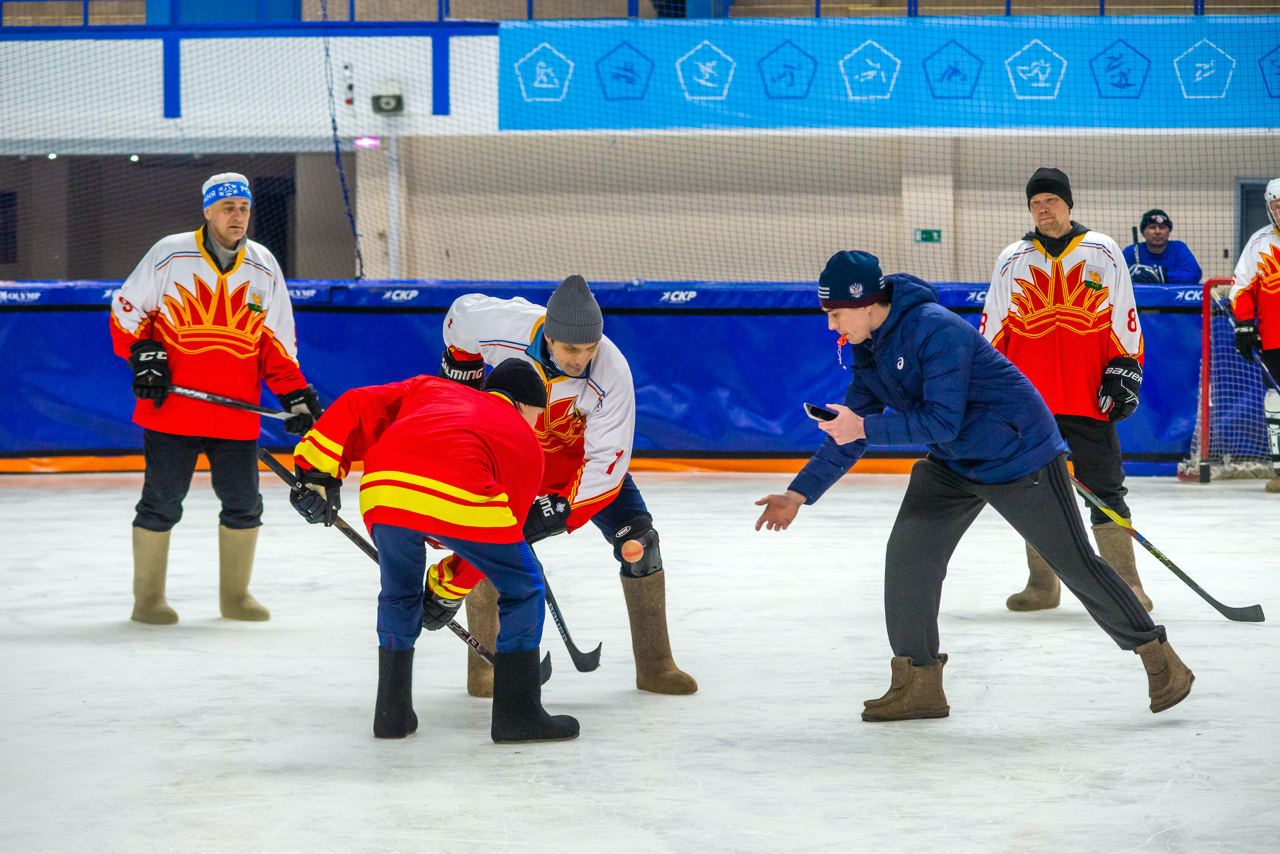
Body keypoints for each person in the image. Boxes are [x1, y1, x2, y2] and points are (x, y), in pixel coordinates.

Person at [754, 250, 1192, 721]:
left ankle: (1159, 658)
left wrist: (861, 428)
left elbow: (939, 421)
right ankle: (918, 684)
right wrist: (798, 493)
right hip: (956, 462)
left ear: (864, 303)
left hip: (1018, 455)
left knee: (1076, 564)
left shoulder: (934, 329)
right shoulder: (868, 350)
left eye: (835, 314)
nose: (831, 326)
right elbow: (852, 429)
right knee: (909, 556)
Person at [289, 360, 579, 743]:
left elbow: (357, 403)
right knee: (524, 585)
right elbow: (504, 534)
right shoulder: (524, 441)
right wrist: (447, 590)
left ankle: (391, 714)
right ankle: (518, 715)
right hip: (461, 490)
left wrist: (317, 474)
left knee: (399, 594)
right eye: (537, 416)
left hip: (385, 485)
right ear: (525, 406)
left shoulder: (429, 388)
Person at [436, 275, 696, 698]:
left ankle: (656, 666)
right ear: (549, 335)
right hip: (512, 456)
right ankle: (485, 668)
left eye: (590, 348)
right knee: (486, 546)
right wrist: (462, 381)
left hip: (579, 465)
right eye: (572, 349)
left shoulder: (612, 371)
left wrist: (554, 514)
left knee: (640, 543)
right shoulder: (503, 325)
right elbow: (458, 317)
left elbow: (606, 467)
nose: (582, 358)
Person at [110, 172, 322, 625]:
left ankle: (236, 596)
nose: (237, 217)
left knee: (245, 505)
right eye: (228, 208)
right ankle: (147, 600)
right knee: (161, 504)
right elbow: (127, 311)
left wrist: (296, 394)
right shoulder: (169, 253)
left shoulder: (263, 265)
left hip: (234, 416)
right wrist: (143, 354)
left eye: (243, 208)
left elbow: (275, 342)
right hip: (173, 412)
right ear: (207, 211)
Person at [983, 167, 1153, 613]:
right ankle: (1043, 585)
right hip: (1031, 406)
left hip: (1088, 398)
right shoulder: (1011, 257)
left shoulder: (1102, 250)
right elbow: (993, 332)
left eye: (1051, 201)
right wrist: (990, 392)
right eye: (1036, 203)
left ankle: (1126, 584)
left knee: (1106, 488)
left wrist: (1125, 371)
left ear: (1068, 204)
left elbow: (1125, 318)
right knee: (1030, 492)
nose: (1043, 209)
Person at [1229, 177, 1280, 493]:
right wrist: (1246, 325)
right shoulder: (1259, 243)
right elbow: (1241, 289)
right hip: (1275, 341)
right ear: (1269, 208)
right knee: (1275, 401)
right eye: (1277, 206)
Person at [1122, 209, 1202, 284]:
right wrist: (1130, 273)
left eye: (1162, 227)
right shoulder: (1132, 250)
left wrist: (1163, 275)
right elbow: (1114, 272)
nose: (1157, 231)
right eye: (1152, 227)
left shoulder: (1178, 249)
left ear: (1169, 231)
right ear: (1143, 232)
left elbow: (1195, 275)